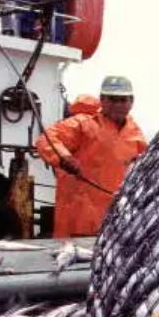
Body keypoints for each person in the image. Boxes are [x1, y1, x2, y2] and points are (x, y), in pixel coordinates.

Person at [35, 77, 146, 238]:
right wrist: (64, 158)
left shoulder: (135, 132)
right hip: (77, 222)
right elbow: (46, 139)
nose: (117, 105)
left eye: (123, 100)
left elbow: (144, 167)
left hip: (116, 222)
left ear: (131, 101)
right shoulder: (82, 123)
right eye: (112, 99)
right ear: (102, 100)